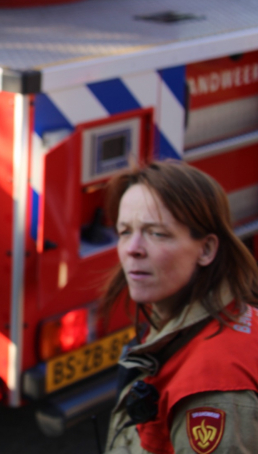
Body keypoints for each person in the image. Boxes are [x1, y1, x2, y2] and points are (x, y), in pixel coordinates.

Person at [101, 160, 258, 454]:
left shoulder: (211, 390)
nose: (133, 248)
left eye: (156, 233)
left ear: (207, 249)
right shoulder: (182, 325)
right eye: (124, 231)